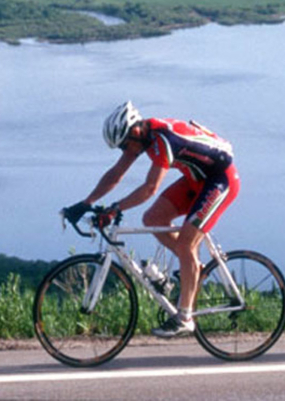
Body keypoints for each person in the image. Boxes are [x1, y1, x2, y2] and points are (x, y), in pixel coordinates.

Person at [64, 101, 240, 337]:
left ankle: (185, 317)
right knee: (153, 218)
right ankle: (192, 268)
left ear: (135, 131)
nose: (125, 151)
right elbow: (117, 173)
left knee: (187, 243)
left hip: (220, 181)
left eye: (125, 145)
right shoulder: (142, 138)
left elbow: (149, 188)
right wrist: (86, 203)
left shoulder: (163, 140)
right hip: (196, 179)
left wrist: (115, 209)